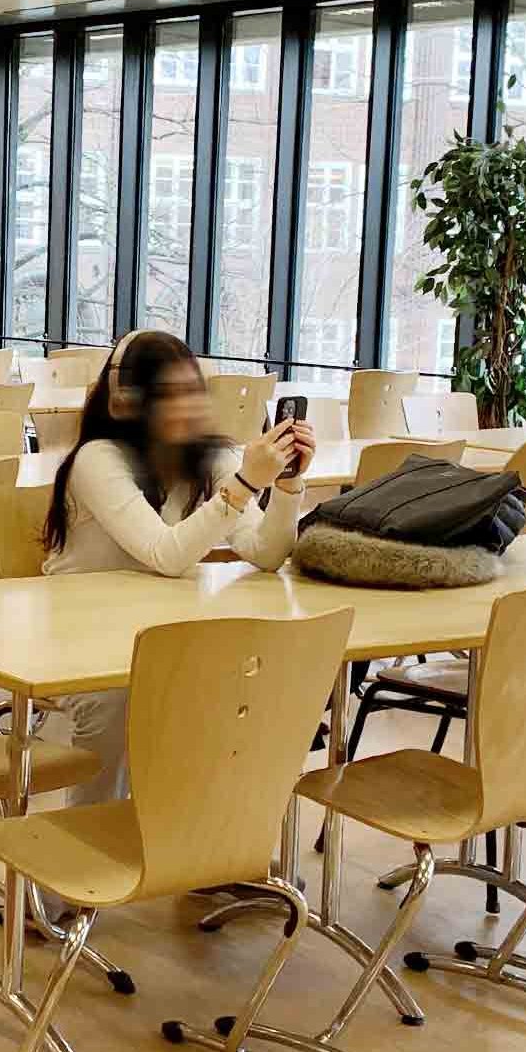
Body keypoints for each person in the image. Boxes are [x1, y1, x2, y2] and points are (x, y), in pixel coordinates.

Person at [41, 329, 315, 811]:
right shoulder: (97, 459)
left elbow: (266, 552)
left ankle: (191, 837)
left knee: (234, 688)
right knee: (116, 704)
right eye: (169, 394)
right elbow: (165, 555)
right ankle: (87, 846)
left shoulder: (210, 456)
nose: (187, 405)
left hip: (162, 630)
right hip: (85, 639)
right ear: (128, 400)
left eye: (192, 390)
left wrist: (288, 486)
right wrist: (245, 483)